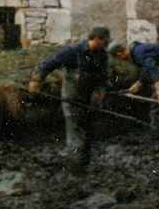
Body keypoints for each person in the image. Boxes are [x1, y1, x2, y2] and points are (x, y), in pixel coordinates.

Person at [29, 24, 111, 171]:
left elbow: (103, 78)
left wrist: (99, 94)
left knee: (88, 133)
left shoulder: (102, 55)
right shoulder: (73, 52)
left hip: (89, 99)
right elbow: (48, 64)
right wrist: (36, 81)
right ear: (97, 39)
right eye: (105, 41)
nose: (106, 44)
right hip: (72, 99)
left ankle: (84, 165)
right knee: (76, 132)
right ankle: (74, 168)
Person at [111, 38, 159, 139]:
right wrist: (135, 87)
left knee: (156, 107)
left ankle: (157, 137)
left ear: (120, 53)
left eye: (119, 57)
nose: (121, 59)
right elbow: (146, 70)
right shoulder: (138, 50)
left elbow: (152, 69)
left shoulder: (138, 52)